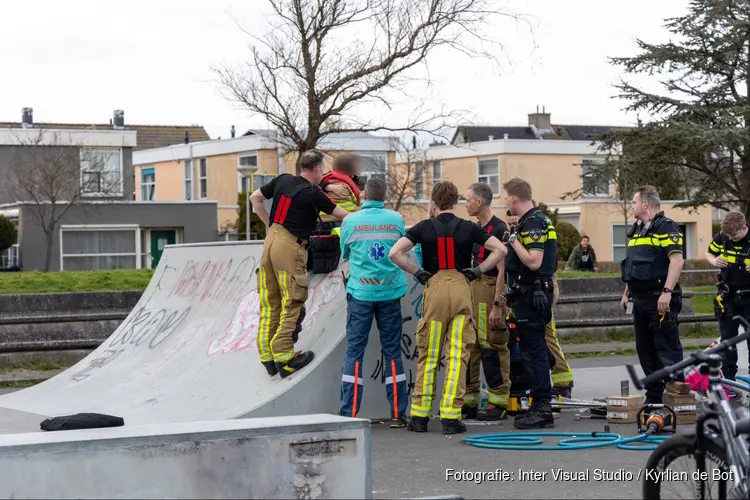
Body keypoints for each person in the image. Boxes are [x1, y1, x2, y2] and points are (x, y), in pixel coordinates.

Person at [389, 181, 506, 434]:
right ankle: (451, 417)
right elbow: (500, 249)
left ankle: (419, 416)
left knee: (429, 355)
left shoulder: (423, 227)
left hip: (435, 287)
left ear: (434, 201)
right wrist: (478, 270)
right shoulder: (468, 228)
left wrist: (418, 272)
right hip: (462, 287)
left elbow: (395, 253)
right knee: (457, 356)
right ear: (456, 202)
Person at [249, 149, 350, 378]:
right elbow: (344, 215)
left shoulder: (283, 180)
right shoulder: (314, 193)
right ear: (317, 169)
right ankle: (285, 358)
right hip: (290, 248)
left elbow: (256, 198)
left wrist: (271, 224)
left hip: (270, 243)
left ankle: (268, 357)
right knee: (293, 300)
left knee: (270, 302)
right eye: (322, 169)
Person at [338, 177, 409, 427]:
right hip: (390, 292)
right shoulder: (396, 220)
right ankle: (399, 414)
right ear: (384, 196)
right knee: (392, 353)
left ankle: (349, 415)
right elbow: (404, 248)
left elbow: (345, 253)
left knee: (354, 353)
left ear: (364, 195)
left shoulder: (350, 221)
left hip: (360, 294)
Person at [620, 185, 685, 405]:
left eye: (634, 202)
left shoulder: (666, 228)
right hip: (639, 299)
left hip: (660, 298)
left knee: (666, 349)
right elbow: (633, 266)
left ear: (645, 204)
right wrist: (626, 292)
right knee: (645, 351)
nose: (632, 206)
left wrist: (667, 292)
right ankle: (654, 399)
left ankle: (678, 399)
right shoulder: (638, 230)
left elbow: (676, 261)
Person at [502, 178, 558, 429]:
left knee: (533, 351)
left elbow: (534, 261)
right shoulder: (534, 220)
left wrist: (513, 240)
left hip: (532, 295)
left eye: (505, 197)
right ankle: (540, 402)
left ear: (514, 198)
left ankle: (542, 407)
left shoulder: (533, 222)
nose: (504, 201)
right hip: (528, 294)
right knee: (531, 349)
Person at [462, 182, 510, 421]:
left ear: (479, 203)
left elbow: (502, 271)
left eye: (468, 200)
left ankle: (498, 401)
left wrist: (497, 306)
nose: (465, 204)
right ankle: (469, 400)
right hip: (474, 289)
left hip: (490, 289)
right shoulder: (475, 228)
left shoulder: (499, 228)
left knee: (492, 345)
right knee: (471, 346)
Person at [705, 211, 750, 398]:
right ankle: (729, 386)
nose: (731, 238)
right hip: (728, 297)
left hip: (749, 298)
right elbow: (708, 252)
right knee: (727, 343)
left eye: (734, 235)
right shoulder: (722, 237)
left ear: (744, 228)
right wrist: (714, 260)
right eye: (729, 236)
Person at [309, 154, 363, 274]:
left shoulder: (323, 181)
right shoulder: (344, 187)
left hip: (318, 226)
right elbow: (351, 208)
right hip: (338, 226)